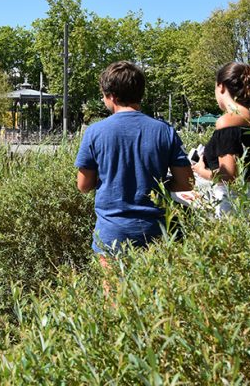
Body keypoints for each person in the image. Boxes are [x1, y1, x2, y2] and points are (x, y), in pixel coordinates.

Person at [75, 61, 192, 255]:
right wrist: (161, 185)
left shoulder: (95, 132)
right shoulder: (165, 131)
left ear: (111, 96)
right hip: (157, 232)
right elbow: (186, 183)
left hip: (112, 233)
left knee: (110, 286)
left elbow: (83, 186)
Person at [191, 62, 250, 216]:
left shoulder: (227, 121)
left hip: (234, 204)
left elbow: (228, 176)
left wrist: (201, 171)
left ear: (221, 87)